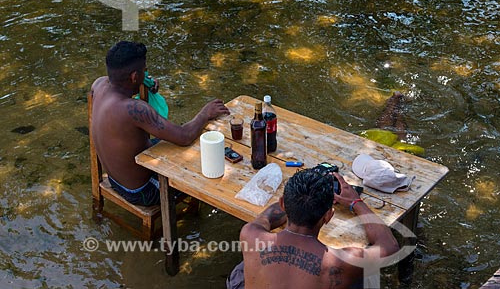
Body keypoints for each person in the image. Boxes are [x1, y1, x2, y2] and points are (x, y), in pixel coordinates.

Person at [91, 41, 229, 206]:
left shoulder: (98, 85)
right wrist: (205, 113)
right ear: (134, 76)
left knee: (174, 143)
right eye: (144, 70)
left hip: (115, 179)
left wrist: (145, 82)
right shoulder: (134, 109)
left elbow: (121, 85)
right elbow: (184, 136)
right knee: (198, 157)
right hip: (142, 192)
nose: (146, 73)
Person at [227, 169, 399, 289]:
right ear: (329, 216)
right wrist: (355, 202)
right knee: (358, 279)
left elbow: (268, 216)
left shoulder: (250, 235)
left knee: (244, 267)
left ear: (283, 204)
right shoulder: (343, 261)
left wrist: (296, 201)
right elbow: (389, 246)